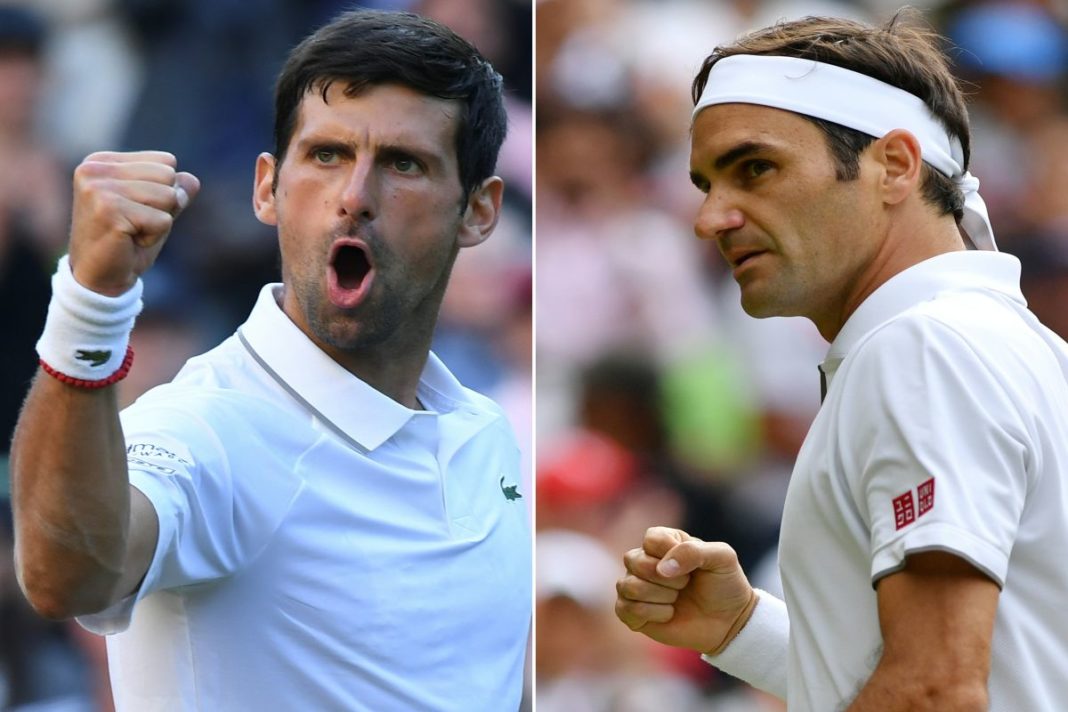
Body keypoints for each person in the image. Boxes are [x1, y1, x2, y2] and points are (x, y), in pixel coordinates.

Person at [10, 9, 531, 710]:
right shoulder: (207, 428)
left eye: (403, 163)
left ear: (478, 212)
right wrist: (90, 302)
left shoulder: (488, 433)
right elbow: (62, 575)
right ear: (267, 188)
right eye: (326, 155)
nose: (354, 198)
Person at [614, 13, 1068, 711]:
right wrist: (744, 628)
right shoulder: (1005, 341)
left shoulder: (924, 348)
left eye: (755, 168)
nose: (710, 218)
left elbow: (935, 691)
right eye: (707, 184)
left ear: (894, 167)